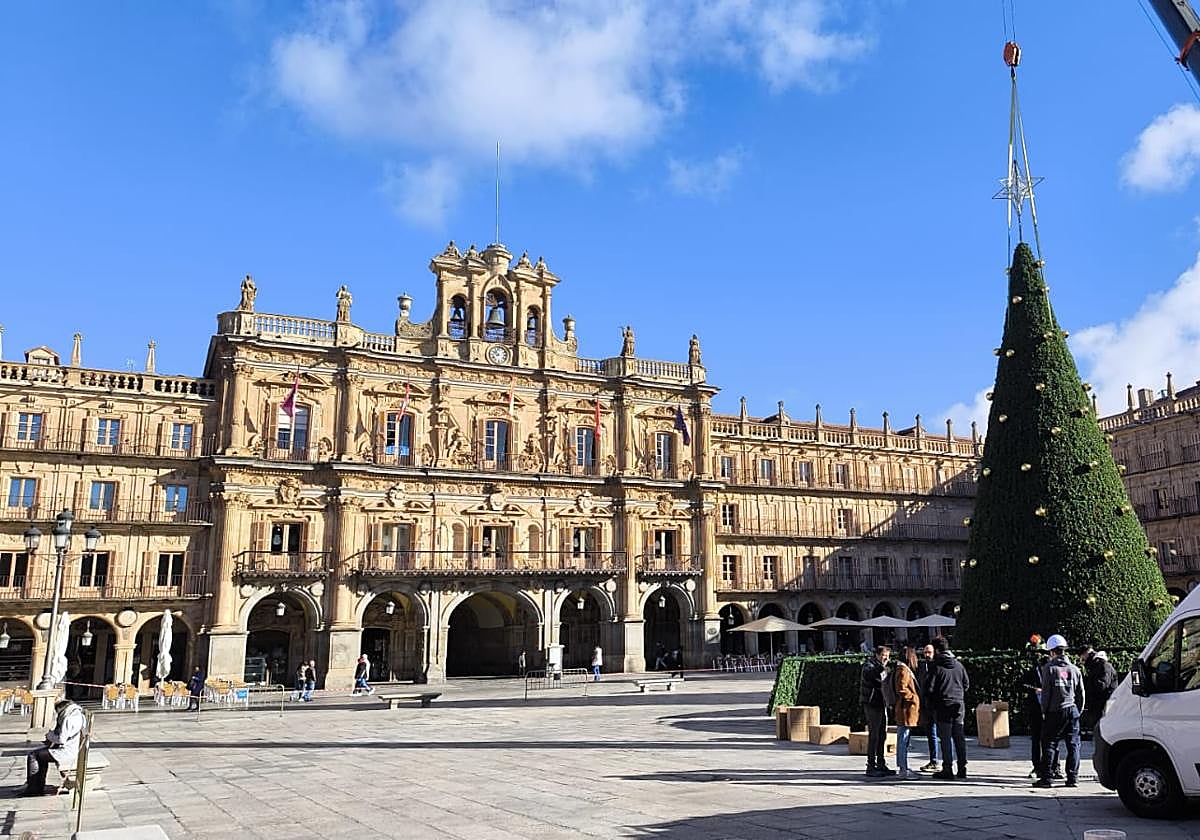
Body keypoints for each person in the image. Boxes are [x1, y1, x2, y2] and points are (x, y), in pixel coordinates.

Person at [1034, 634, 1085, 788]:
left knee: (1049, 743)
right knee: (1073, 744)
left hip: (1055, 711)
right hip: (1072, 710)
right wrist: (1078, 710)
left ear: (1052, 652)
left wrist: (1044, 710)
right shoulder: (1075, 669)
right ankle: (1072, 777)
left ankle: (1047, 777)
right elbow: (1081, 693)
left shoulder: (1050, 668)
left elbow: (1046, 693)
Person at [926, 636, 969, 780]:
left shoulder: (936, 666)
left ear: (937, 650)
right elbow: (966, 684)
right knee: (959, 736)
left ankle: (947, 768)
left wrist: (933, 702)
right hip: (958, 704)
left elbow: (929, 688)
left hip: (943, 704)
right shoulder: (958, 665)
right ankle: (962, 767)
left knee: (945, 737)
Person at [23, 698, 86, 796]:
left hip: (67, 752)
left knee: (33, 755)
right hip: (73, 749)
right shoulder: (77, 715)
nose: (57, 715)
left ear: (61, 709)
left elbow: (61, 739)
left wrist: (49, 735)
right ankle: (37, 786)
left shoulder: (69, 718)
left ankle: (33, 788)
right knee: (40, 756)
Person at [1016, 640, 1058, 779]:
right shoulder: (1034, 672)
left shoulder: (1053, 671)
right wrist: (1034, 689)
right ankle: (1040, 766)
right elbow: (1020, 684)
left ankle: (1052, 766)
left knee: (1050, 739)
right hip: (1037, 708)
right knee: (1038, 739)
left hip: (1049, 709)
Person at [860, 645, 895, 777]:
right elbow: (873, 677)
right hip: (872, 703)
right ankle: (870, 765)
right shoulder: (869, 665)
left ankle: (881, 763)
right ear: (877, 655)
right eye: (883, 655)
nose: (886, 658)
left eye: (887, 656)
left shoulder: (884, 666)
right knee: (874, 735)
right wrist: (883, 668)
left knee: (882, 735)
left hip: (882, 703)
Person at [892, 646, 922, 779]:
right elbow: (902, 689)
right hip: (905, 710)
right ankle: (903, 768)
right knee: (903, 739)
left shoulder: (902, 668)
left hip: (905, 709)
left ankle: (903, 767)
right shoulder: (903, 670)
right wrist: (914, 698)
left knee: (904, 739)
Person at [1077, 645, 1117, 739]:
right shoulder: (1099, 666)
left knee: (1101, 732)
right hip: (1100, 705)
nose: (1082, 661)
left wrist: (1089, 684)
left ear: (1086, 654)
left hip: (1102, 705)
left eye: (1083, 658)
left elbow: (1102, 685)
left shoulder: (1102, 666)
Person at [917, 643, 943, 771]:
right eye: (925, 652)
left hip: (937, 705)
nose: (927, 655)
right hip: (927, 706)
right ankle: (934, 760)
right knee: (931, 733)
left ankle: (942, 761)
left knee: (942, 733)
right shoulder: (922, 666)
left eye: (929, 652)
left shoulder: (938, 666)